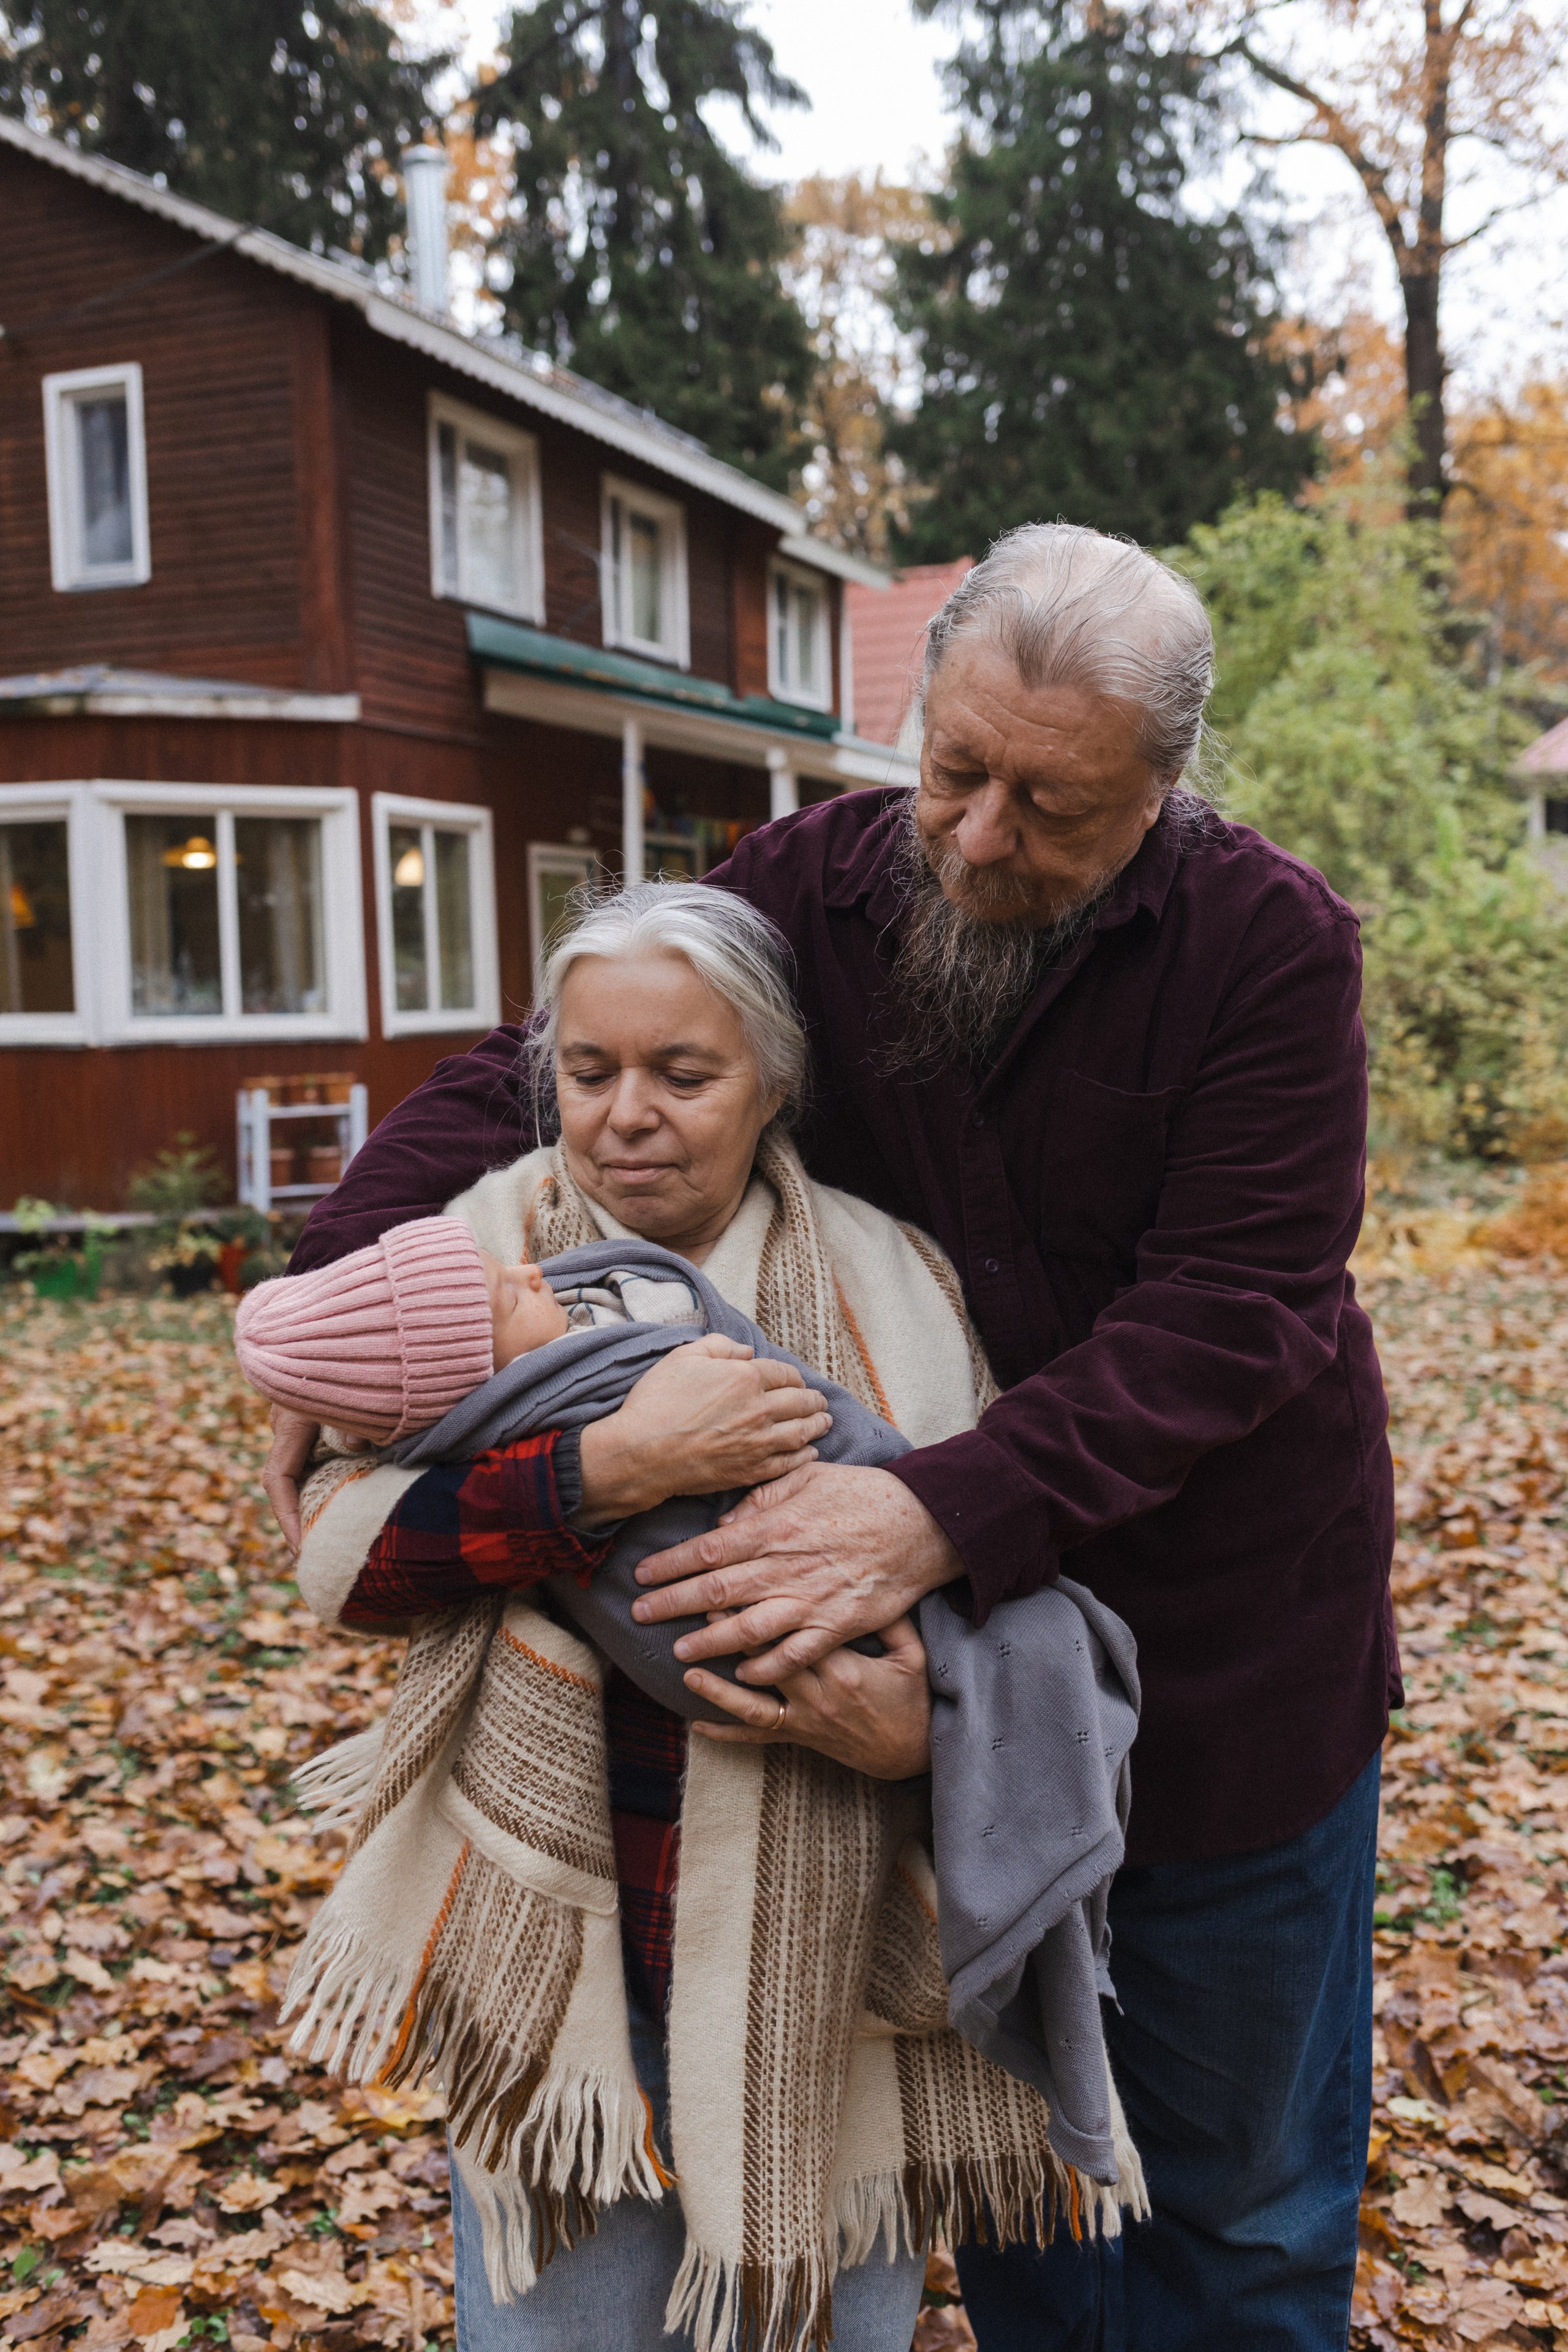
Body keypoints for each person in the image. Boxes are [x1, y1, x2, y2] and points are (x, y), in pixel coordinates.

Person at [276, 521, 1396, 2352]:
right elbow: (538, 1061)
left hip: (1218, 1674)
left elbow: (1232, 1313)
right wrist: (337, 1310)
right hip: (927, 1708)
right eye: (954, 771)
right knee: (1024, 2191)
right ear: (917, 713)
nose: (976, 839)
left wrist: (923, 1519)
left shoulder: (1268, 948)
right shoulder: (812, 884)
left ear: (1165, 790)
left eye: (1051, 805)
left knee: (1239, 2211)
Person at [273, 883, 1145, 2352]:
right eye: (590, 1071)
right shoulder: (461, 1262)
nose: (628, 1116)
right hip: (565, 1950)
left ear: (775, 1085)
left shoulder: (898, 1280)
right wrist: (608, 1468)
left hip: (837, 1962)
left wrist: (914, 1740)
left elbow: (1000, 1605)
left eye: (685, 1075)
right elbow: (346, 1565)